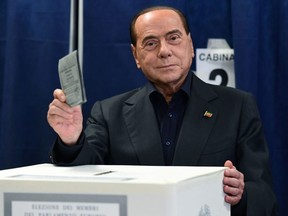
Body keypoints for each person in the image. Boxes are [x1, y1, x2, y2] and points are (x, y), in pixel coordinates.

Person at [47, 6, 278, 216]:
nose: (164, 51)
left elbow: (265, 196)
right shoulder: (108, 113)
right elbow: (83, 179)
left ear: (191, 45)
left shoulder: (236, 107)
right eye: (150, 43)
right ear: (136, 56)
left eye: (174, 38)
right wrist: (71, 140)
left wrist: (241, 194)